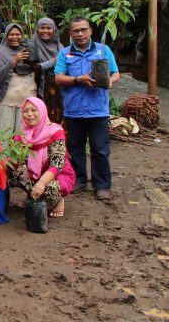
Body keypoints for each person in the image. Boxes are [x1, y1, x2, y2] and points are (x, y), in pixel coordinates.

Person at [54, 17, 120, 201]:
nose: (80, 34)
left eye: (83, 30)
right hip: (74, 110)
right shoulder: (65, 53)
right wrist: (78, 79)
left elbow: (116, 73)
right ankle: (79, 180)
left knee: (100, 149)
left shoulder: (103, 50)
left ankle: (102, 185)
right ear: (70, 34)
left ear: (90, 31)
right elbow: (59, 78)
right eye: (76, 31)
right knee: (76, 148)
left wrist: (109, 81)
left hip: (98, 110)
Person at [12, 98, 75, 217]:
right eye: (25, 111)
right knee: (11, 171)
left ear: (42, 111)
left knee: (50, 188)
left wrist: (41, 183)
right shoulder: (21, 134)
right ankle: (32, 196)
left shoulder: (55, 132)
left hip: (58, 175)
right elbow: (15, 161)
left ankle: (59, 200)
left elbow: (57, 165)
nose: (29, 115)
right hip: (33, 175)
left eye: (33, 110)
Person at [0, 23, 37, 146]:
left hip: (26, 104)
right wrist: (14, 61)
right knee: (3, 140)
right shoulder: (1, 52)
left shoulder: (29, 50)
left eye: (18, 34)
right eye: (11, 34)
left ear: (22, 35)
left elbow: (37, 71)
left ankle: (21, 165)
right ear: (6, 36)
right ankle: (2, 165)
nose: (14, 37)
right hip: (4, 103)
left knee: (22, 140)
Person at [32, 17, 64, 123]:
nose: (45, 31)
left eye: (48, 28)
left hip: (59, 87)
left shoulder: (60, 47)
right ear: (37, 29)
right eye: (42, 28)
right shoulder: (32, 46)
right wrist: (53, 61)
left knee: (60, 116)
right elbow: (32, 67)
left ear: (54, 29)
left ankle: (60, 139)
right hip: (40, 87)